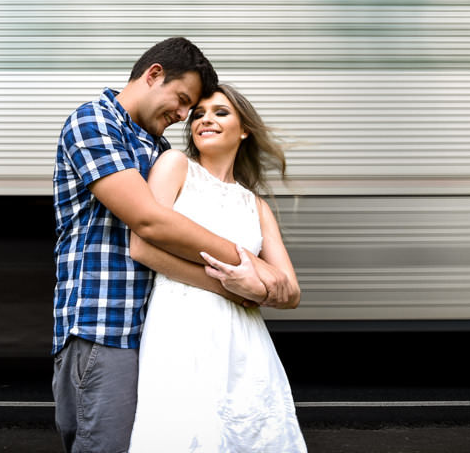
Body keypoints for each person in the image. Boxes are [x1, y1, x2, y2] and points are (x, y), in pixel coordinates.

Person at [52, 39, 294, 453]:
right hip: (103, 324)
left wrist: (260, 283)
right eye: (185, 103)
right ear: (154, 74)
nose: (184, 116)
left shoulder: (156, 146)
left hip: (150, 328)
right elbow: (148, 223)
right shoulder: (94, 122)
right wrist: (248, 267)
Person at [127, 83, 307, 452]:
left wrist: (258, 290)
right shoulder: (175, 166)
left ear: (244, 130)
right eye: (198, 114)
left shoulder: (255, 205)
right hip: (180, 324)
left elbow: (291, 292)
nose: (205, 119)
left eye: (220, 112)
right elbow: (142, 248)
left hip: (245, 338)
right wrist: (230, 288)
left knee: (250, 431)